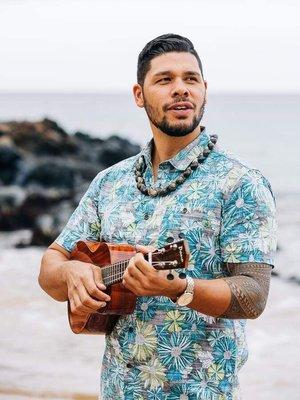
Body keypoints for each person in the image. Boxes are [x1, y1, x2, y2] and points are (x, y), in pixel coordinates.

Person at [38, 33, 277, 400]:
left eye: (190, 79)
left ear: (205, 91)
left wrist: (179, 289)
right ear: (139, 95)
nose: (181, 89)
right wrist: (72, 273)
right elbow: (50, 269)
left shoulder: (241, 183)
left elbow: (253, 295)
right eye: (165, 80)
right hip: (116, 390)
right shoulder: (110, 182)